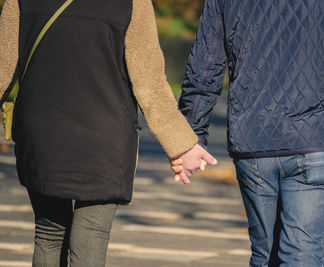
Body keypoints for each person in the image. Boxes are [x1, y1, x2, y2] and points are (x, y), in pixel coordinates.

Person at [172, 0, 324, 266]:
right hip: (317, 138)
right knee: (301, 256)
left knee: (265, 256)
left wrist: (190, 136)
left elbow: (204, 64)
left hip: (254, 139)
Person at [0, 0, 216, 266]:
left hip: (41, 136)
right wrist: (182, 145)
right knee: (91, 233)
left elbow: (2, 70)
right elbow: (150, 84)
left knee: (48, 234)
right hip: (104, 139)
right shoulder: (131, 2)